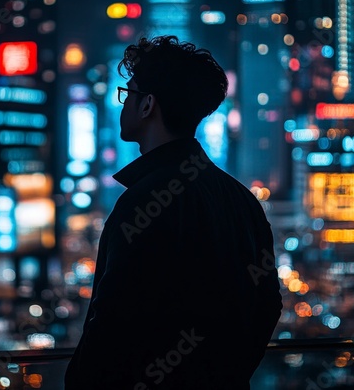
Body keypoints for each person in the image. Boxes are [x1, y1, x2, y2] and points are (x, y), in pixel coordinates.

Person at [64, 35, 282, 389]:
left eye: (128, 94)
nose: (124, 104)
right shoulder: (242, 200)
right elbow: (267, 304)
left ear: (148, 104)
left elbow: (112, 323)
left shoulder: (142, 202)